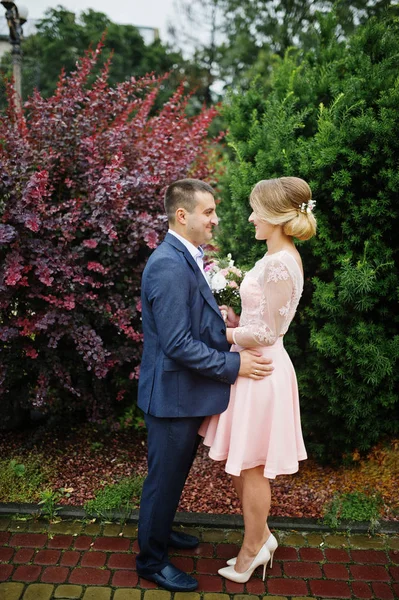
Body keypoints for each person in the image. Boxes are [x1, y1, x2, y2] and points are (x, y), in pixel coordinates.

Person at [136, 178, 274, 593]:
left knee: (172, 477)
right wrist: (233, 366)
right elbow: (177, 344)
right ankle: (151, 560)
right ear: (183, 215)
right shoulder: (168, 264)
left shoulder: (187, 256)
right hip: (172, 396)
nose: (216, 219)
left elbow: (191, 325)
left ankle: (159, 531)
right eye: (208, 212)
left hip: (185, 393)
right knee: (163, 480)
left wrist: (224, 324)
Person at [200, 176, 317, 583]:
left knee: (252, 468)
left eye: (257, 210)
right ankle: (261, 536)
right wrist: (235, 320)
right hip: (250, 365)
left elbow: (270, 332)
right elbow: (262, 318)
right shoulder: (274, 257)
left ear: (278, 217)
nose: (251, 217)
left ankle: (252, 550)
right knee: (241, 465)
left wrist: (223, 335)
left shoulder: (282, 261)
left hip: (261, 370)